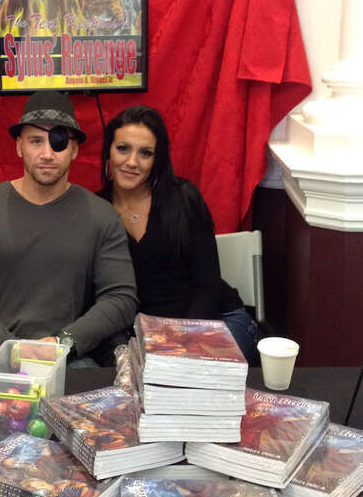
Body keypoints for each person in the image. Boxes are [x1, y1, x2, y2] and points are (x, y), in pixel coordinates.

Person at [0, 92, 138, 364]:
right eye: (35, 141)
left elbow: (121, 297)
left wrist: (63, 342)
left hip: (68, 360)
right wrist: (3, 344)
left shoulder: (102, 217)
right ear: (19, 146)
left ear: (75, 149)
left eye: (59, 142)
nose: (47, 154)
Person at [96, 105, 260, 365]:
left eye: (145, 153)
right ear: (108, 151)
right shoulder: (96, 210)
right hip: (143, 336)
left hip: (215, 321)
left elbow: (208, 285)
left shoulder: (184, 198)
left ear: (157, 159)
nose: (131, 162)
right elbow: (102, 297)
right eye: (123, 148)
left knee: (190, 386)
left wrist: (178, 343)